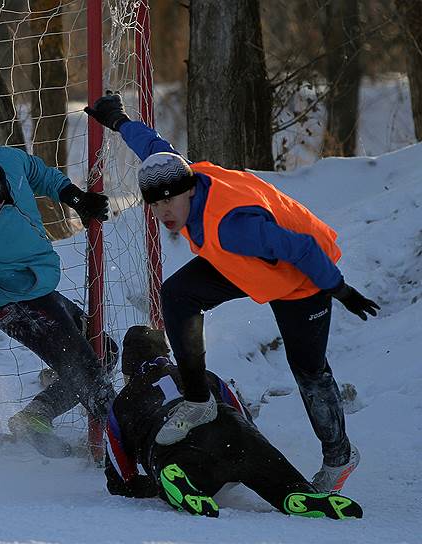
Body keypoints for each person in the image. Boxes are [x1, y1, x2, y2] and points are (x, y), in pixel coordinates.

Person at [85, 92, 378, 492]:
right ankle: (198, 400)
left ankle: (340, 455)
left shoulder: (234, 225)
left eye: (170, 201)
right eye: (155, 204)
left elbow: (302, 249)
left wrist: (341, 290)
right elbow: (153, 146)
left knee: (309, 372)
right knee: (178, 294)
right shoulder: (181, 176)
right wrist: (118, 120)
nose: (164, 212)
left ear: (188, 191)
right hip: (243, 264)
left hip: (302, 279)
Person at [0, 146, 115, 458]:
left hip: (40, 291)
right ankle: (131, 446)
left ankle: (35, 416)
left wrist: (74, 197)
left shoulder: (9, 161)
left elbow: (40, 174)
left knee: (104, 352)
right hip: (14, 307)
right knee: (90, 377)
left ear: (5, 186)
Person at [104, 325, 362, 520]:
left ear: (128, 369)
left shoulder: (121, 403)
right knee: (250, 452)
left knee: (172, 462)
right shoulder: (204, 375)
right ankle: (295, 490)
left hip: (170, 441)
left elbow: (120, 479)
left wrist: (149, 484)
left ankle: (175, 477)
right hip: (226, 425)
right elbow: (246, 420)